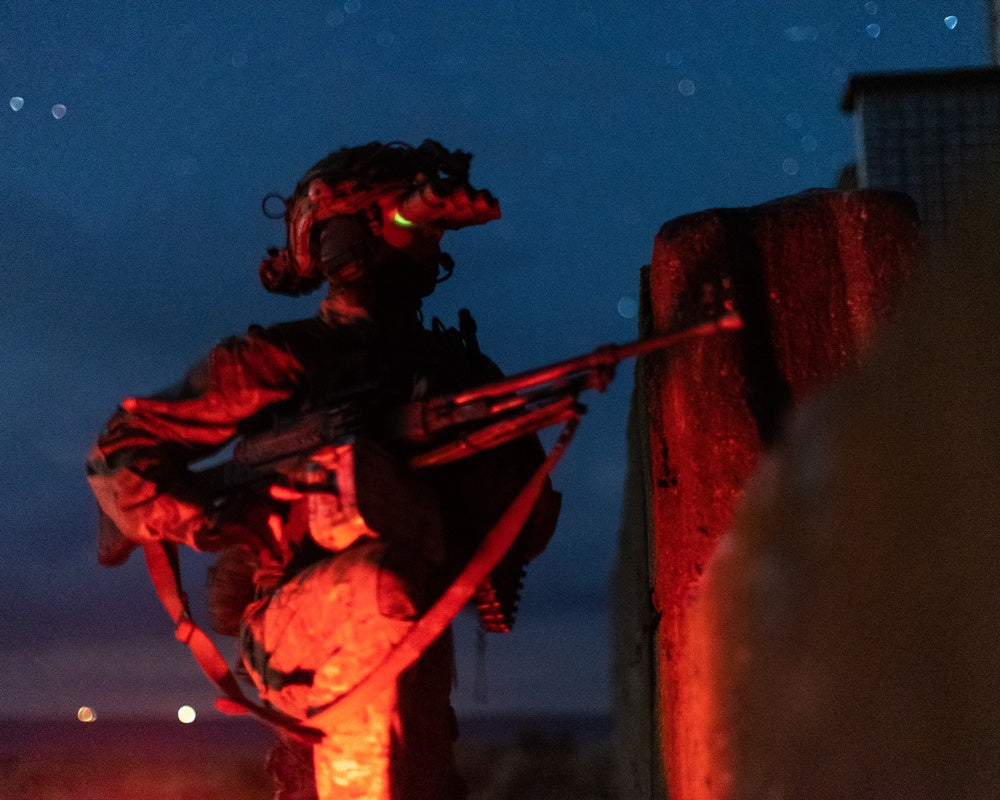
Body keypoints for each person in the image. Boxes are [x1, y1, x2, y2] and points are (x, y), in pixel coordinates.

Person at [86, 140, 560, 800]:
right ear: (341, 241)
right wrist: (215, 518)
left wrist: (488, 460)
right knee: (380, 584)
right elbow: (120, 450)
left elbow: (521, 534)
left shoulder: (456, 376)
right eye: (400, 222)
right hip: (312, 641)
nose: (423, 244)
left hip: (410, 690)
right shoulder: (285, 360)